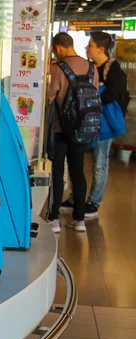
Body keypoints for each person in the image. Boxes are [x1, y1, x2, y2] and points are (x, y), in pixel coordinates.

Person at [61, 32, 127, 218]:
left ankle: (93, 202)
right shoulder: (88, 67)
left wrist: (88, 100)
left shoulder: (113, 70)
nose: (86, 47)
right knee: (77, 160)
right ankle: (76, 198)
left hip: (103, 125)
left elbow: (112, 95)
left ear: (100, 48)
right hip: (84, 122)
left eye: (90, 44)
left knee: (99, 163)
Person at [46, 32, 99, 233]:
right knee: (78, 171)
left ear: (58, 48)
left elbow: (51, 97)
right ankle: (79, 220)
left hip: (61, 129)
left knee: (58, 171)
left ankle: (54, 218)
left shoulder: (58, 68)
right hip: (83, 128)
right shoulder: (92, 68)